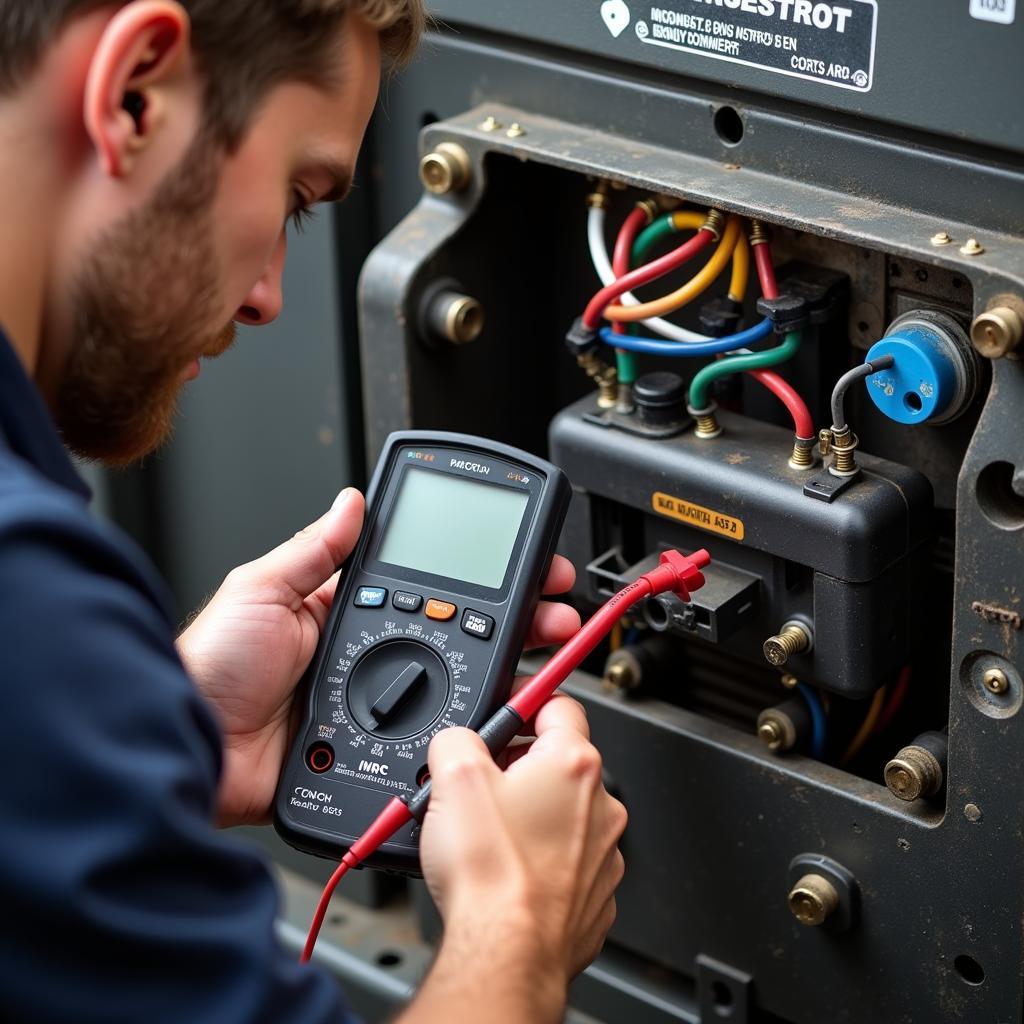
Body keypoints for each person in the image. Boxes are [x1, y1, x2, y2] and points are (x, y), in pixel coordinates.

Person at [0, 2, 628, 1022]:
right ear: (133, 92)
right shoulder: (27, 599)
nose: (269, 300)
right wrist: (520, 925)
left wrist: (155, 734)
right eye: (297, 195)